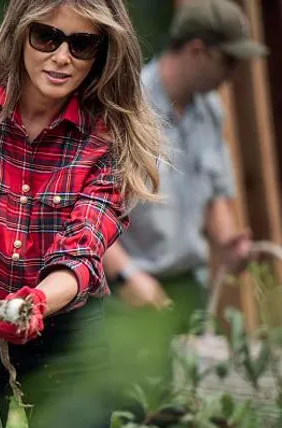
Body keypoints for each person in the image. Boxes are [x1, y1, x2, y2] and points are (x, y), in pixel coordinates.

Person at [0, 0, 165, 428]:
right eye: (47, 37)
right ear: (19, 32)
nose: (61, 57)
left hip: (63, 330)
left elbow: (82, 249)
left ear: (102, 52)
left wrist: (33, 305)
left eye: (82, 44)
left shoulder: (111, 135)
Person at [101, 0, 267, 395]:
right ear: (197, 50)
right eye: (229, 62)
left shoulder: (210, 109)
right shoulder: (127, 107)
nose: (234, 73)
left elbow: (215, 193)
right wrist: (127, 276)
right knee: (139, 409)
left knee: (193, 402)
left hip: (187, 289)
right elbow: (89, 212)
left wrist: (228, 241)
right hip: (132, 289)